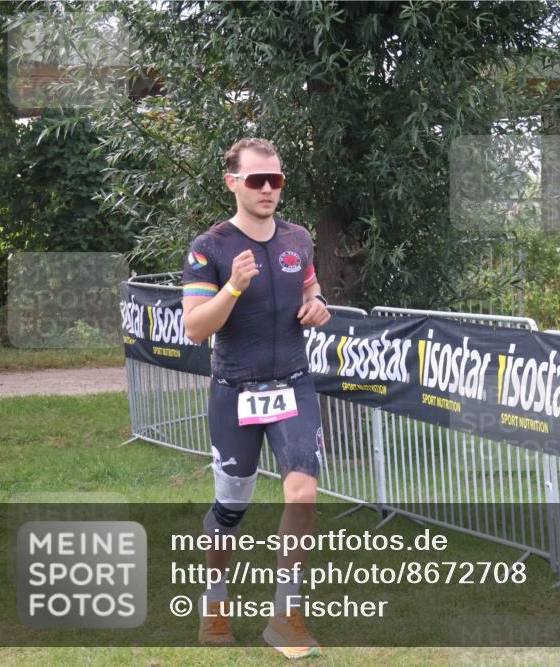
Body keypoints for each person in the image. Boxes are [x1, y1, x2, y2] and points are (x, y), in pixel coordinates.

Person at [182, 138, 331, 658]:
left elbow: (309, 291)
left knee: (303, 493)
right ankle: (215, 602)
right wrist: (233, 288)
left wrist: (317, 306)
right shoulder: (211, 247)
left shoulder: (299, 239)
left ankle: (286, 615)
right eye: (256, 180)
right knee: (231, 508)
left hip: (293, 383)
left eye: (276, 180)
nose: (268, 189)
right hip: (235, 391)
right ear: (233, 183)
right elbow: (196, 328)